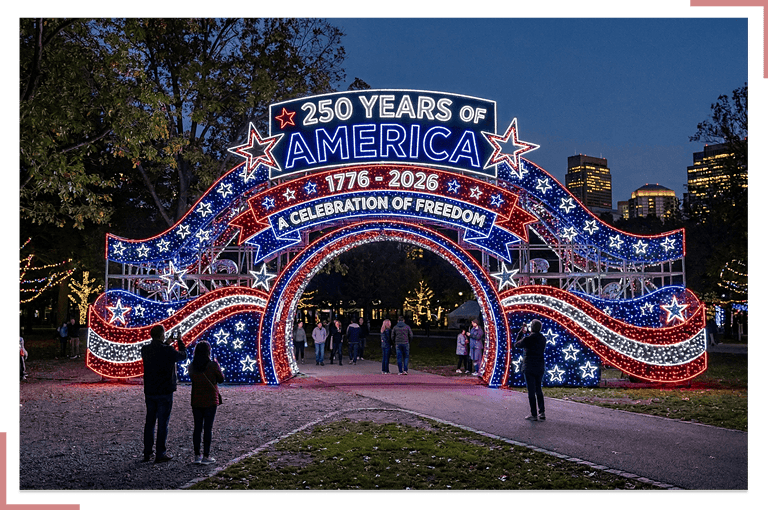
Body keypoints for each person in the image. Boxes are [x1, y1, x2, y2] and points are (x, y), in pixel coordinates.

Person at [141, 325, 187, 463]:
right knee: (163, 423)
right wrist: (180, 341)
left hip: (150, 390)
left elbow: (159, 350)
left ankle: (147, 452)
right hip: (165, 391)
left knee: (150, 422)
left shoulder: (145, 349)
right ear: (162, 335)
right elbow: (183, 355)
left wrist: (167, 342)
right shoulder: (168, 351)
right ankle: (160, 453)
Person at [188, 340, 224, 465]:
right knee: (208, 428)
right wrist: (217, 365)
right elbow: (221, 379)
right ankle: (206, 456)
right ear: (208, 352)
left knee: (197, 428)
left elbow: (192, 378)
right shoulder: (213, 365)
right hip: (210, 399)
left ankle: (197, 455)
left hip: (196, 399)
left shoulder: (192, 366)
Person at [515, 319, 547, 421]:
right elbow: (535, 336)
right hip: (539, 366)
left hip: (529, 367)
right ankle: (542, 412)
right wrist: (528, 332)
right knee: (538, 389)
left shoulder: (527, 339)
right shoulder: (543, 339)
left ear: (531, 328)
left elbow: (517, 344)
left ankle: (534, 414)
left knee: (531, 391)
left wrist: (521, 332)